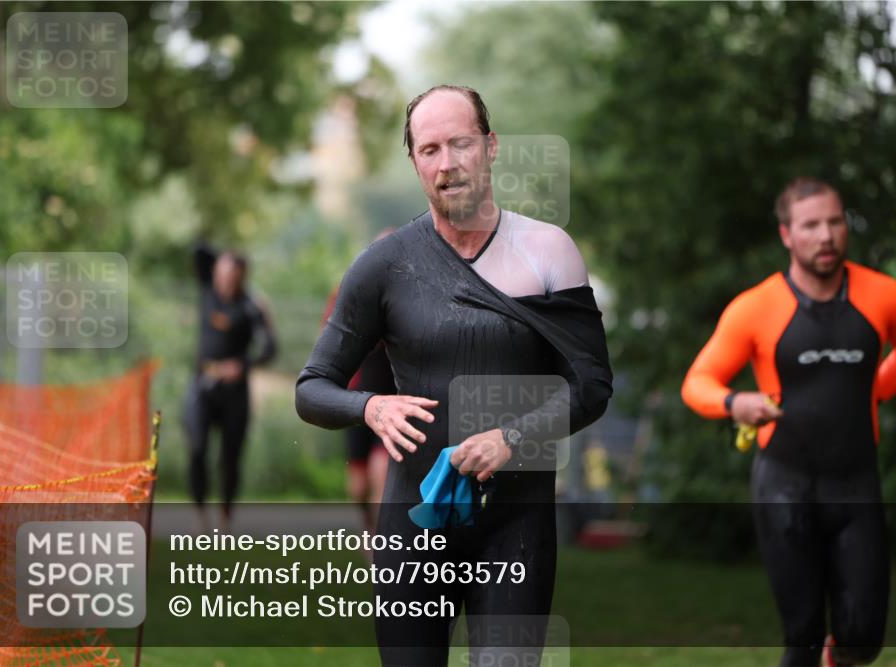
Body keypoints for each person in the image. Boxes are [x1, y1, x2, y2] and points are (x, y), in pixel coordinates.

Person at [296, 85, 612, 666]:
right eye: (430, 149)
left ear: (490, 146)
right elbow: (311, 388)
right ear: (415, 161)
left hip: (516, 527)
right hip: (414, 526)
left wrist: (512, 438)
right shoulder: (384, 266)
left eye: (460, 143)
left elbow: (591, 386)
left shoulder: (549, 251)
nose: (447, 163)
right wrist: (371, 407)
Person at [681, 177, 896, 667]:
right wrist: (735, 403)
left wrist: (874, 391)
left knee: (863, 638)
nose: (826, 235)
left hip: (856, 483)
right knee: (803, 636)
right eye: (811, 225)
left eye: (835, 222)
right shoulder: (756, 307)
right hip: (784, 486)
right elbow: (698, 382)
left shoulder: (883, 295)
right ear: (787, 234)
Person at [184, 243, 277, 531]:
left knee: (230, 457)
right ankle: (200, 515)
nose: (224, 281)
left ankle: (225, 518)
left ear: (241, 277)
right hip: (203, 386)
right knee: (197, 448)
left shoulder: (251, 305)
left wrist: (242, 365)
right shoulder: (207, 291)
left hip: (235, 392)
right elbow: (197, 249)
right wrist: (223, 257)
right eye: (220, 274)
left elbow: (270, 348)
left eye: (231, 276)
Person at [319, 228, 399, 537]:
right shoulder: (348, 290)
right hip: (356, 398)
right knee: (358, 486)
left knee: (383, 472)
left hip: (395, 399)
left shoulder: (411, 296)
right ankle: (367, 529)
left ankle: (381, 545)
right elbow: (327, 341)